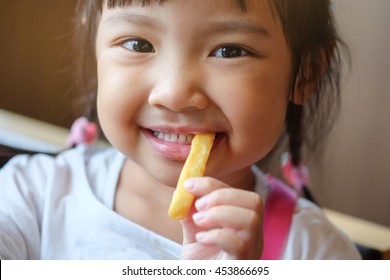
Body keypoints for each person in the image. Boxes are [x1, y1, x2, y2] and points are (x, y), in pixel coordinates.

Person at [0, 0, 361, 260]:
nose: (174, 94)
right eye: (138, 44)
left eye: (229, 50)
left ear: (306, 72)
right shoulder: (30, 197)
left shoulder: (318, 254)